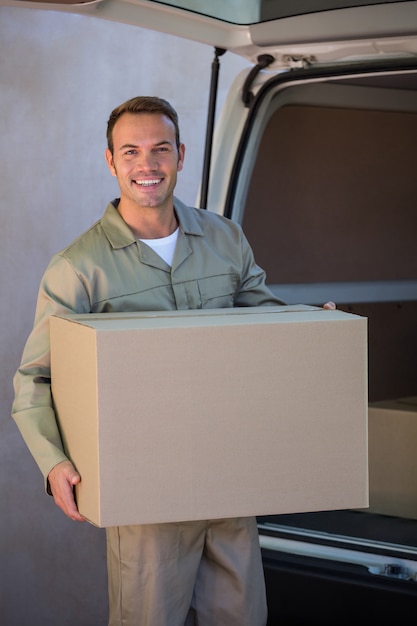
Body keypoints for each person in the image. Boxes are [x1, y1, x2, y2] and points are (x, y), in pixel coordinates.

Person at [12, 96, 335, 626]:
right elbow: (35, 379)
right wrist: (55, 464)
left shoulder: (226, 239)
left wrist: (314, 326)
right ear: (111, 161)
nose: (148, 164)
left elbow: (263, 324)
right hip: (145, 496)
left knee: (243, 618)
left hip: (229, 479)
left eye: (161, 149)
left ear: (181, 155)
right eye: (131, 151)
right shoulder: (79, 267)